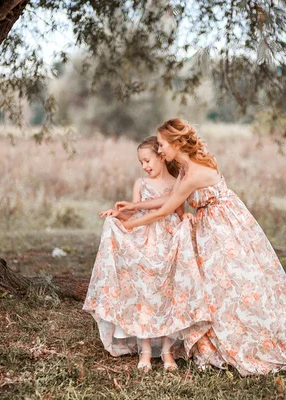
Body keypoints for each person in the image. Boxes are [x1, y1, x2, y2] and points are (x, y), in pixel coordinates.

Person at [116, 119, 286, 375]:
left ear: (176, 143)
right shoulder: (184, 167)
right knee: (215, 287)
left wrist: (132, 225)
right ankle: (220, 335)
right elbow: (170, 197)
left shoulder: (195, 173)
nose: (159, 151)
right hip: (209, 225)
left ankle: (253, 338)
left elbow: (169, 209)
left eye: (161, 145)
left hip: (224, 227)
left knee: (235, 283)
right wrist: (134, 206)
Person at [83, 136, 210, 372]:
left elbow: (180, 211)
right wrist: (117, 215)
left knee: (165, 293)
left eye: (148, 160)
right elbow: (133, 214)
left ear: (162, 156)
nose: (145, 166)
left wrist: (187, 218)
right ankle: (145, 350)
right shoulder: (140, 183)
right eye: (141, 162)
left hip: (168, 242)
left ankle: (167, 351)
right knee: (144, 292)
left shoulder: (177, 183)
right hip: (145, 241)